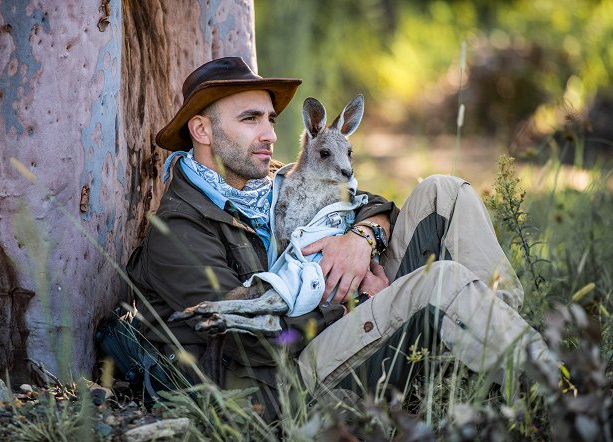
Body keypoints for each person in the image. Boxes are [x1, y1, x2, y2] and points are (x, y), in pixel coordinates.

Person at [126, 57, 555, 420]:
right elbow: (246, 339)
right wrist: (349, 298)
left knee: (445, 191)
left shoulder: (269, 179)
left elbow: (373, 205)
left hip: (332, 312)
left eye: (270, 120)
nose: (270, 135)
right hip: (288, 378)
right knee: (435, 280)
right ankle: (558, 392)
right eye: (249, 119)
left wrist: (361, 242)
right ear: (201, 130)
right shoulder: (179, 229)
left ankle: (501, 345)